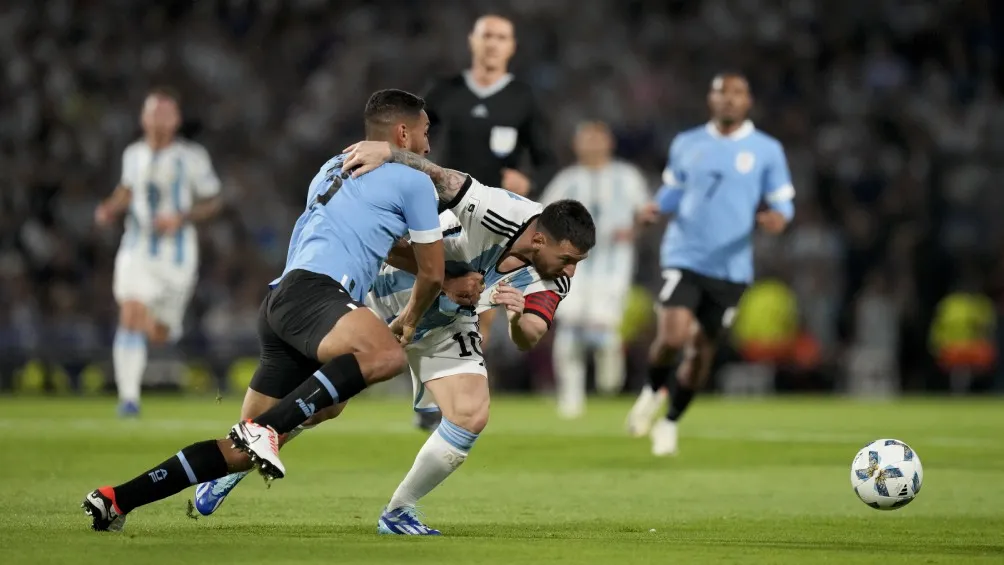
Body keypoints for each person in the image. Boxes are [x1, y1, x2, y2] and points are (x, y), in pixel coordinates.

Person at [81, 89, 449, 532]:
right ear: (403, 133)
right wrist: (409, 320)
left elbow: (379, 242)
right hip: (318, 294)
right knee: (386, 356)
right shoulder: (413, 180)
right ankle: (269, 432)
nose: (428, 145)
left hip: (280, 301)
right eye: (425, 133)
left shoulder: (331, 167)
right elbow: (431, 273)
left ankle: (117, 499)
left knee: (272, 432)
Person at [192, 141, 595, 536]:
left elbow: (532, 336)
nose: (571, 272)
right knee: (326, 408)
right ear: (541, 240)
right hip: (392, 291)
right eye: (569, 260)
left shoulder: (552, 275)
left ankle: (399, 512)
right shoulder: (496, 210)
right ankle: (236, 460)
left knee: (471, 413)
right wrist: (388, 153)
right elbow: (437, 179)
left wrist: (516, 318)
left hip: (449, 320)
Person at [625, 73, 795, 456]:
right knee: (673, 336)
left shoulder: (767, 150)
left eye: (737, 94)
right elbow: (673, 189)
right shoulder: (688, 143)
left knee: (702, 350)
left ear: (748, 101)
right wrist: (656, 207)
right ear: (711, 99)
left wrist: (779, 218)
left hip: (731, 266)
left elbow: (783, 200)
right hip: (684, 254)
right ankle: (652, 391)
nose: (729, 100)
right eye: (722, 93)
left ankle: (670, 422)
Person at [420, 13, 558, 430]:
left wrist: (529, 179)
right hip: (441, 209)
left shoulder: (523, 98)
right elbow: (416, 140)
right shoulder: (444, 92)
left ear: (511, 47)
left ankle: (460, 390)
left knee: (480, 302)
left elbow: (546, 157)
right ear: (473, 42)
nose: (494, 43)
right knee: (429, 286)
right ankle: (433, 385)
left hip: (495, 220)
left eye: (501, 37)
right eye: (487, 36)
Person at [94, 87, 222, 417]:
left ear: (177, 120)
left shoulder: (192, 157)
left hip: (177, 258)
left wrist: (182, 217)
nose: (158, 119)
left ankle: (155, 335)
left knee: (161, 333)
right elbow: (127, 189)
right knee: (131, 311)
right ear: (143, 118)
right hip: (137, 249)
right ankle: (129, 399)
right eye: (153, 112)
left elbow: (213, 201)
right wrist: (110, 207)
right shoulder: (132, 154)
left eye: (166, 112)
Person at [541, 121, 650, 418]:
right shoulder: (567, 180)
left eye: (596, 139)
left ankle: (610, 366)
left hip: (613, 265)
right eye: (585, 140)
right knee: (570, 327)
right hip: (573, 266)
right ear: (576, 145)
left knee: (603, 326)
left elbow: (645, 212)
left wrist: (635, 229)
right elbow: (542, 215)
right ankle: (570, 398)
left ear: (609, 142)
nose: (591, 145)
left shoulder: (627, 177)